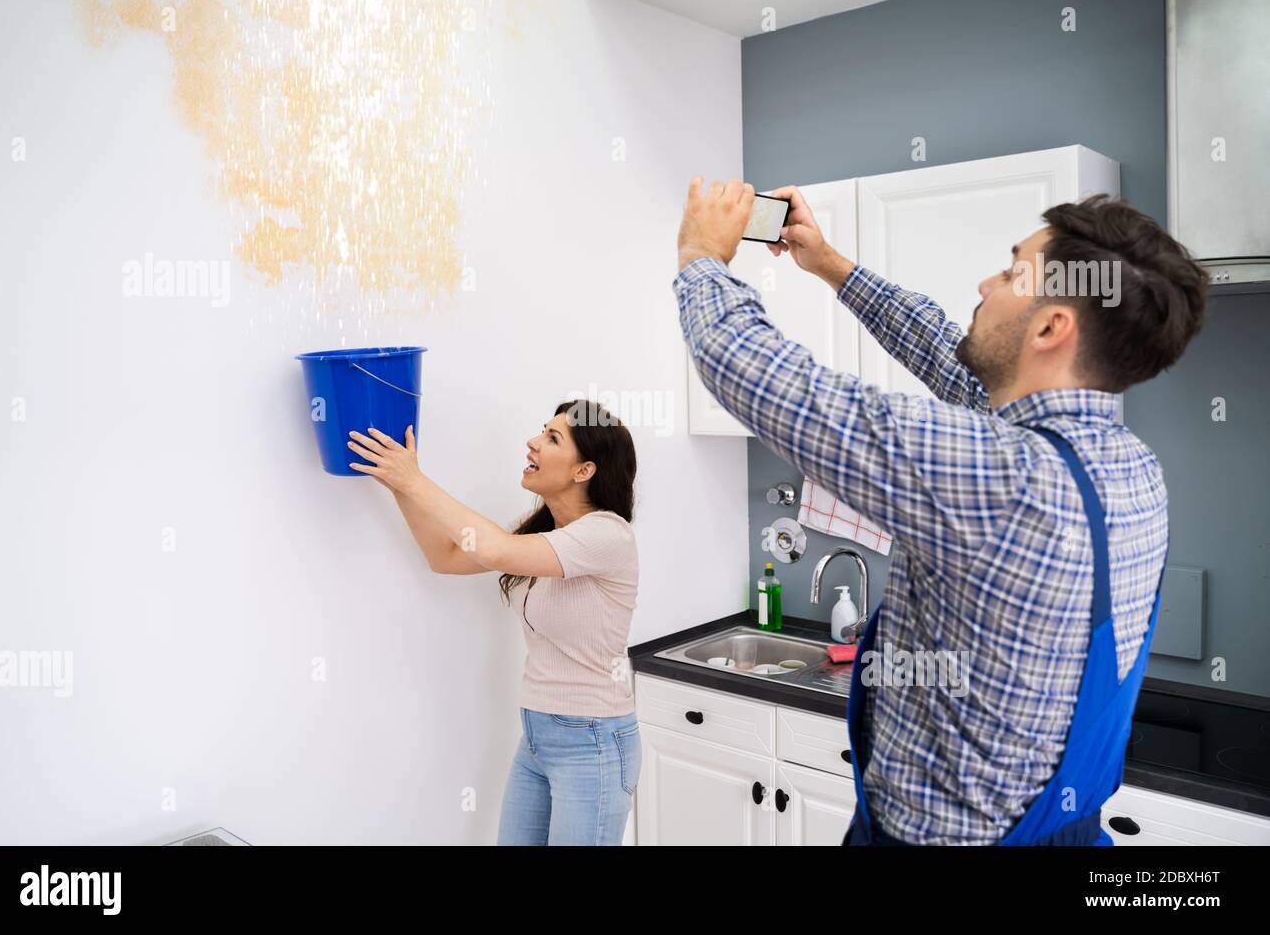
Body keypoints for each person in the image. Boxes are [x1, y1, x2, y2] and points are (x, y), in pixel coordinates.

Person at [673, 178, 1207, 845]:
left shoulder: (1002, 477)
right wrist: (829, 263)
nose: (986, 285)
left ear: (1051, 326)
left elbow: (773, 384)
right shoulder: (1128, 468)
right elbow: (950, 359)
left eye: (1012, 272)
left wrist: (701, 257)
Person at [346, 399, 641, 845]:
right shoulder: (544, 532)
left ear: (584, 471)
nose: (533, 441)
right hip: (538, 739)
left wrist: (416, 479)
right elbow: (443, 557)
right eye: (543, 430)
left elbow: (495, 551)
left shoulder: (607, 535)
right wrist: (398, 486)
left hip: (594, 743)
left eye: (552, 438)